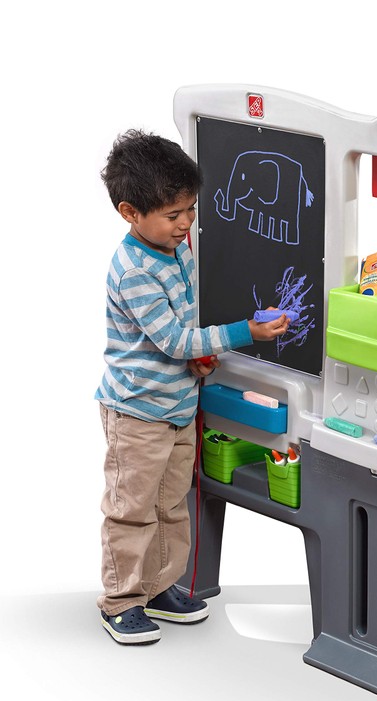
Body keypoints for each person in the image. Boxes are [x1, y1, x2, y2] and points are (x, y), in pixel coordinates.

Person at [96, 130, 290, 645]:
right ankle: (121, 601)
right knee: (132, 510)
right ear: (130, 213)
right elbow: (172, 339)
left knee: (170, 505)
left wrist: (201, 358)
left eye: (190, 209)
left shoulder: (175, 249)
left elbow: (183, 329)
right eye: (173, 214)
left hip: (177, 407)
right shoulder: (134, 269)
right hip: (138, 413)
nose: (186, 223)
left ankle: (159, 587)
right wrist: (243, 333)